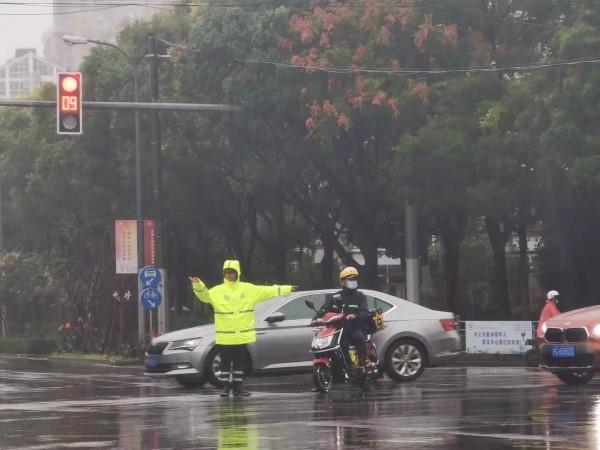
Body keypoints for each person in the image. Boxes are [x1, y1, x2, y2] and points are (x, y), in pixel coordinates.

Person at [190, 260, 296, 398]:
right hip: (225, 336)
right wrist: (198, 285)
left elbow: (268, 290)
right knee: (225, 364)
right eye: (226, 272)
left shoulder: (248, 289)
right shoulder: (217, 291)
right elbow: (204, 296)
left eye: (231, 272)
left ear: (237, 273)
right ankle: (226, 388)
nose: (229, 275)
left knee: (240, 363)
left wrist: (286, 289)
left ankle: (238, 387)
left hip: (241, 336)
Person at [317, 266, 371, 365]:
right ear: (342, 282)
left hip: (355, 328)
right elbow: (324, 310)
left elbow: (365, 311)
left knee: (358, 337)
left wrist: (355, 316)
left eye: (354, 279)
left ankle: (364, 361)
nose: (353, 281)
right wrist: (316, 319)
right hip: (337, 330)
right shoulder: (335, 297)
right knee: (334, 344)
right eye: (350, 279)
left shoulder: (360, 297)